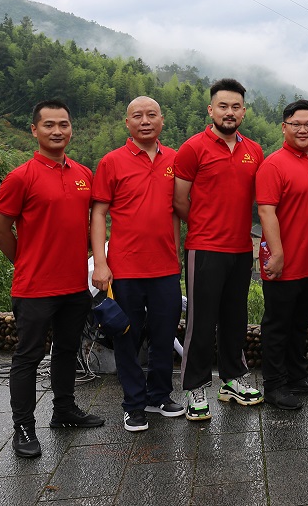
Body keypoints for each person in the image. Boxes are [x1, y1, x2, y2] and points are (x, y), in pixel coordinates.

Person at [0, 100, 105, 459]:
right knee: (28, 356)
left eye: (63, 124)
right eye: (49, 125)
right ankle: (24, 427)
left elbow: (90, 225)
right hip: (35, 287)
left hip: (75, 285)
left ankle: (64, 411)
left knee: (67, 351)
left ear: (71, 129)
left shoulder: (84, 174)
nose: (57, 131)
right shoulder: (20, 177)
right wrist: (24, 261)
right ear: (34, 130)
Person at [90, 96, 184, 432]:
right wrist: (100, 264)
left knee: (164, 334)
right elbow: (98, 213)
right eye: (138, 116)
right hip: (125, 267)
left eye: (151, 115)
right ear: (127, 123)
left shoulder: (175, 159)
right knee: (126, 337)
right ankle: (133, 404)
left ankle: (159, 396)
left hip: (165, 268)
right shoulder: (112, 161)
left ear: (162, 120)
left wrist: (176, 254)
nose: (145, 121)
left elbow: (176, 211)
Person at [174, 78, 264, 420]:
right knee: (200, 321)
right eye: (223, 106)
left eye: (235, 107)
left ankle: (232, 379)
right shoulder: (192, 148)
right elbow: (180, 200)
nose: (229, 112)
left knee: (235, 317)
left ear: (244, 112)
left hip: (241, 248)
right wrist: (204, 223)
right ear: (211, 110)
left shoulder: (254, 151)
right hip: (204, 247)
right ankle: (195, 387)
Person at [255, 99, 308, 410]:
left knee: (300, 323)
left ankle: (297, 376)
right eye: (296, 124)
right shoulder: (273, 164)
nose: (303, 129)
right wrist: (276, 253)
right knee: (277, 325)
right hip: (284, 262)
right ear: (284, 127)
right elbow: (266, 211)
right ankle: (274, 385)